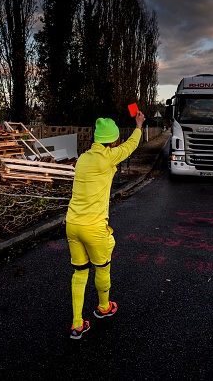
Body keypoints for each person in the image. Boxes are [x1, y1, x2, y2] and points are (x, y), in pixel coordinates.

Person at [66, 111, 146, 339]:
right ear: (111, 140)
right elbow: (131, 146)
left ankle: (77, 323)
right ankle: (103, 307)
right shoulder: (108, 157)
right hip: (93, 227)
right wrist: (139, 125)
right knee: (102, 268)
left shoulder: (83, 158)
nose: (118, 142)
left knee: (80, 273)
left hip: (72, 224)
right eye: (116, 139)